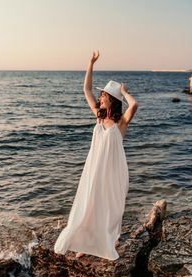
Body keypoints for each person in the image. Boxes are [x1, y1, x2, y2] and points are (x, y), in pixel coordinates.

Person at [54, 51, 138, 260]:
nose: (100, 97)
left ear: (111, 100)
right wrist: (90, 63)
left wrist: (124, 92)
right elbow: (87, 89)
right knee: (90, 203)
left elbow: (134, 105)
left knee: (111, 206)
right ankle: (87, 242)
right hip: (94, 168)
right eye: (101, 96)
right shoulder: (99, 118)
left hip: (114, 171)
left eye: (104, 96)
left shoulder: (121, 123)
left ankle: (109, 239)